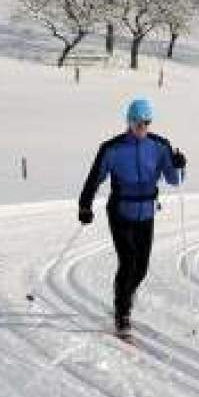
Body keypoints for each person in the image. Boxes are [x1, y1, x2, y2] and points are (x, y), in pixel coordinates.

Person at [78, 98, 187, 338]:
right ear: (129, 122)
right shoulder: (112, 149)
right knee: (128, 261)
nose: (142, 128)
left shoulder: (160, 146)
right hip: (120, 212)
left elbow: (174, 180)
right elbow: (94, 178)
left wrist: (180, 165)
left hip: (146, 213)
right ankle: (122, 312)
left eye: (146, 123)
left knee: (141, 267)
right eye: (138, 123)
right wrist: (85, 205)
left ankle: (124, 293)